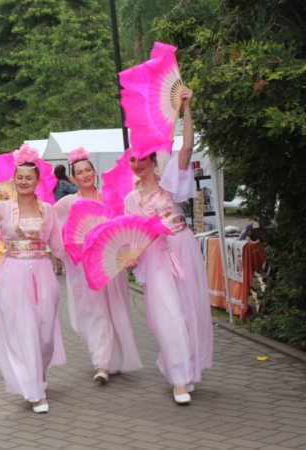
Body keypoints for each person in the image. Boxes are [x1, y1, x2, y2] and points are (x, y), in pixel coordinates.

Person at [124, 86, 213, 405]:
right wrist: (130, 258)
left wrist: (186, 107)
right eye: (132, 160)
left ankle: (187, 368)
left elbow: (187, 146)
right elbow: (130, 236)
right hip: (155, 257)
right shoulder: (130, 199)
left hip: (182, 246)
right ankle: (178, 379)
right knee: (168, 316)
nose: (136, 164)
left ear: (151, 158)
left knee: (189, 311)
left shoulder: (170, 182)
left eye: (141, 159)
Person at [0, 146, 67, 414]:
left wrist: (84, 254)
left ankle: (40, 367)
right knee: (23, 329)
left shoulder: (47, 209)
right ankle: (35, 390)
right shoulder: (3, 209)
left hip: (43, 273)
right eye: (20, 177)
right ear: (14, 179)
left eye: (29, 178)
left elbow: (58, 246)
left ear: (38, 181)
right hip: (12, 274)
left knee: (45, 331)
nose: (24, 182)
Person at [53, 149, 142, 383]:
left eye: (88, 170)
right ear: (72, 178)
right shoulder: (68, 203)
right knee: (93, 313)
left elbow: (123, 227)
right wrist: (67, 249)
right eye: (79, 172)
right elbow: (49, 221)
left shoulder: (109, 198)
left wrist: (128, 253)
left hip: (111, 263)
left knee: (115, 309)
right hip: (84, 266)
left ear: (95, 172)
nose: (84, 175)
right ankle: (101, 363)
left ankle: (114, 359)